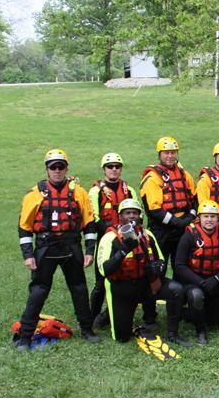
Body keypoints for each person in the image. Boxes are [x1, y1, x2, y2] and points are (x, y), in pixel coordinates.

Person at [16, 149, 100, 350]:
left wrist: (89, 251)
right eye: (53, 166)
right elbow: (24, 226)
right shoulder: (34, 194)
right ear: (47, 169)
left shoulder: (78, 192)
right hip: (45, 247)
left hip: (71, 246)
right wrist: (28, 255)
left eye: (61, 166)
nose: (57, 170)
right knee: (38, 291)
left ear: (66, 168)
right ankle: (25, 336)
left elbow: (89, 224)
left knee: (79, 288)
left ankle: (87, 329)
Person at [96, 199, 188, 344]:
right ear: (120, 216)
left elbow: (161, 260)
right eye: (127, 213)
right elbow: (104, 270)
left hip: (145, 285)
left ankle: (173, 333)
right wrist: (124, 250)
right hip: (122, 288)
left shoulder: (148, 235)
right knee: (122, 338)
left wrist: (158, 267)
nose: (131, 216)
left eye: (135, 213)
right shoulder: (109, 237)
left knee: (176, 289)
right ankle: (110, 314)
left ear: (140, 216)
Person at [174, 200, 219, 345]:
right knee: (196, 296)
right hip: (195, 280)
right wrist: (200, 282)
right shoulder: (189, 235)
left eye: (212, 216)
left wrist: (216, 279)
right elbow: (179, 265)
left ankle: (193, 313)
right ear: (199, 218)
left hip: (217, 279)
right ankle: (200, 332)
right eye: (205, 216)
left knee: (214, 321)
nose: (209, 220)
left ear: (218, 218)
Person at [88, 152, 138, 330]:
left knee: (125, 278)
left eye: (117, 166)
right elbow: (94, 217)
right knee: (101, 281)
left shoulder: (129, 190)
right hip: (106, 240)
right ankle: (92, 317)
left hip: (127, 239)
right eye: (110, 166)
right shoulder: (96, 191)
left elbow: (136, 215)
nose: (114, 169)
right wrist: (112, 232)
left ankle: (110, 314)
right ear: (104, 169)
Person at [140, 136, 197, 270]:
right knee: (159, 268)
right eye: (166, 153)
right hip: (162, 231)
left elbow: (194, 200)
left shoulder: (185, 175)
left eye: (173, 152)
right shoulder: (153, 177)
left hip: (183, 229)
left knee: (182, 267)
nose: (170, 156)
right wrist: (177, 222)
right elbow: (154, 210)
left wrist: (188, 219)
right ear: (159, 154)